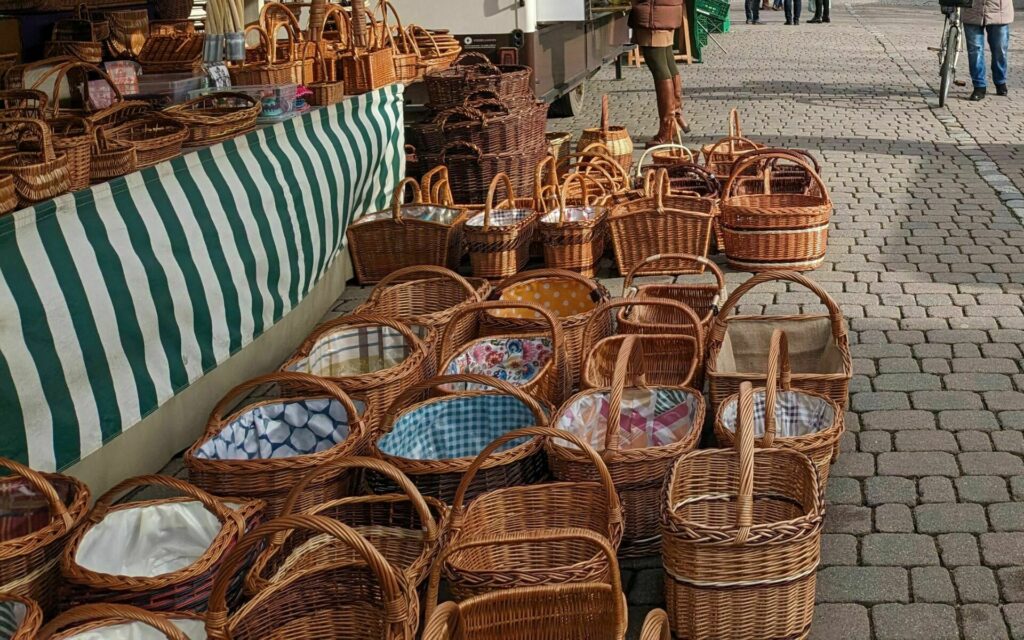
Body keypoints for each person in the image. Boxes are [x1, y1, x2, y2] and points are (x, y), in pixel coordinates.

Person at [630, 0, 692, 144]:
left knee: (658, 65)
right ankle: (675, 117)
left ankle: (667, 126)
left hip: (654, 13)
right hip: (664, 12)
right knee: (667, 62)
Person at [962, 0, 1012, 100]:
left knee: (1000, 49)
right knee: (975, 50)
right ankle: (979, 86)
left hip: (999, 10)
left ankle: (1000, 80)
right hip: (972, 9)